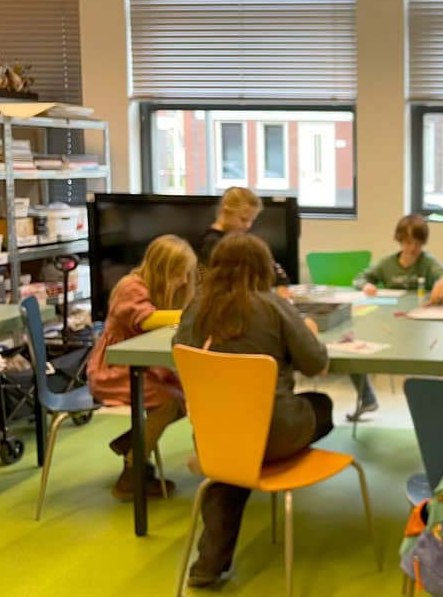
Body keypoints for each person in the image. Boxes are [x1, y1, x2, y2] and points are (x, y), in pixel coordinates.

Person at [173, 232, 334, 588]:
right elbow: (316, 364)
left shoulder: (196, 309)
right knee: (322, 406)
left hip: (216, 437)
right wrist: (307, 331)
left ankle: (207, 564)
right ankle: (266, 461)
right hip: (275, 433)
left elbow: (180, 359)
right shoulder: (274, 306)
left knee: (231, 465)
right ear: (263, 268)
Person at [87, 234, 197, 500]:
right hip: (114, 369)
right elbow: (146, 320)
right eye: (180, 274)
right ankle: (132, 475)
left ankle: (133, 443)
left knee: (184, 398)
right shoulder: (131, 286)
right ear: (163, 269)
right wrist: (192, 314)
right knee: (167, 402)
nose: (184, 281)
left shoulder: (157, 289)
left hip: (141, 366)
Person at [347, 214, 443, 421]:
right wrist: (366, 286)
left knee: (428, 360)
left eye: (417, 243)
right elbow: (361, 278)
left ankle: (431, 405)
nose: (412, 248)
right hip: (389, 324)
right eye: (407, 242)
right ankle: (367, 398)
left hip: (419, 327)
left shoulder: (427, 263)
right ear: (399, 240)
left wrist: (441, 283)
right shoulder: (387, 264)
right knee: (353, 349)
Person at [198, 186, 291, 293]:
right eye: (244, 219)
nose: (248, 225)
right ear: (226, 212)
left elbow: (271, 267)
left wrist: (281, 284)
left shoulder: (246, 242)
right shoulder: (211, 243)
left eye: (252, 220)